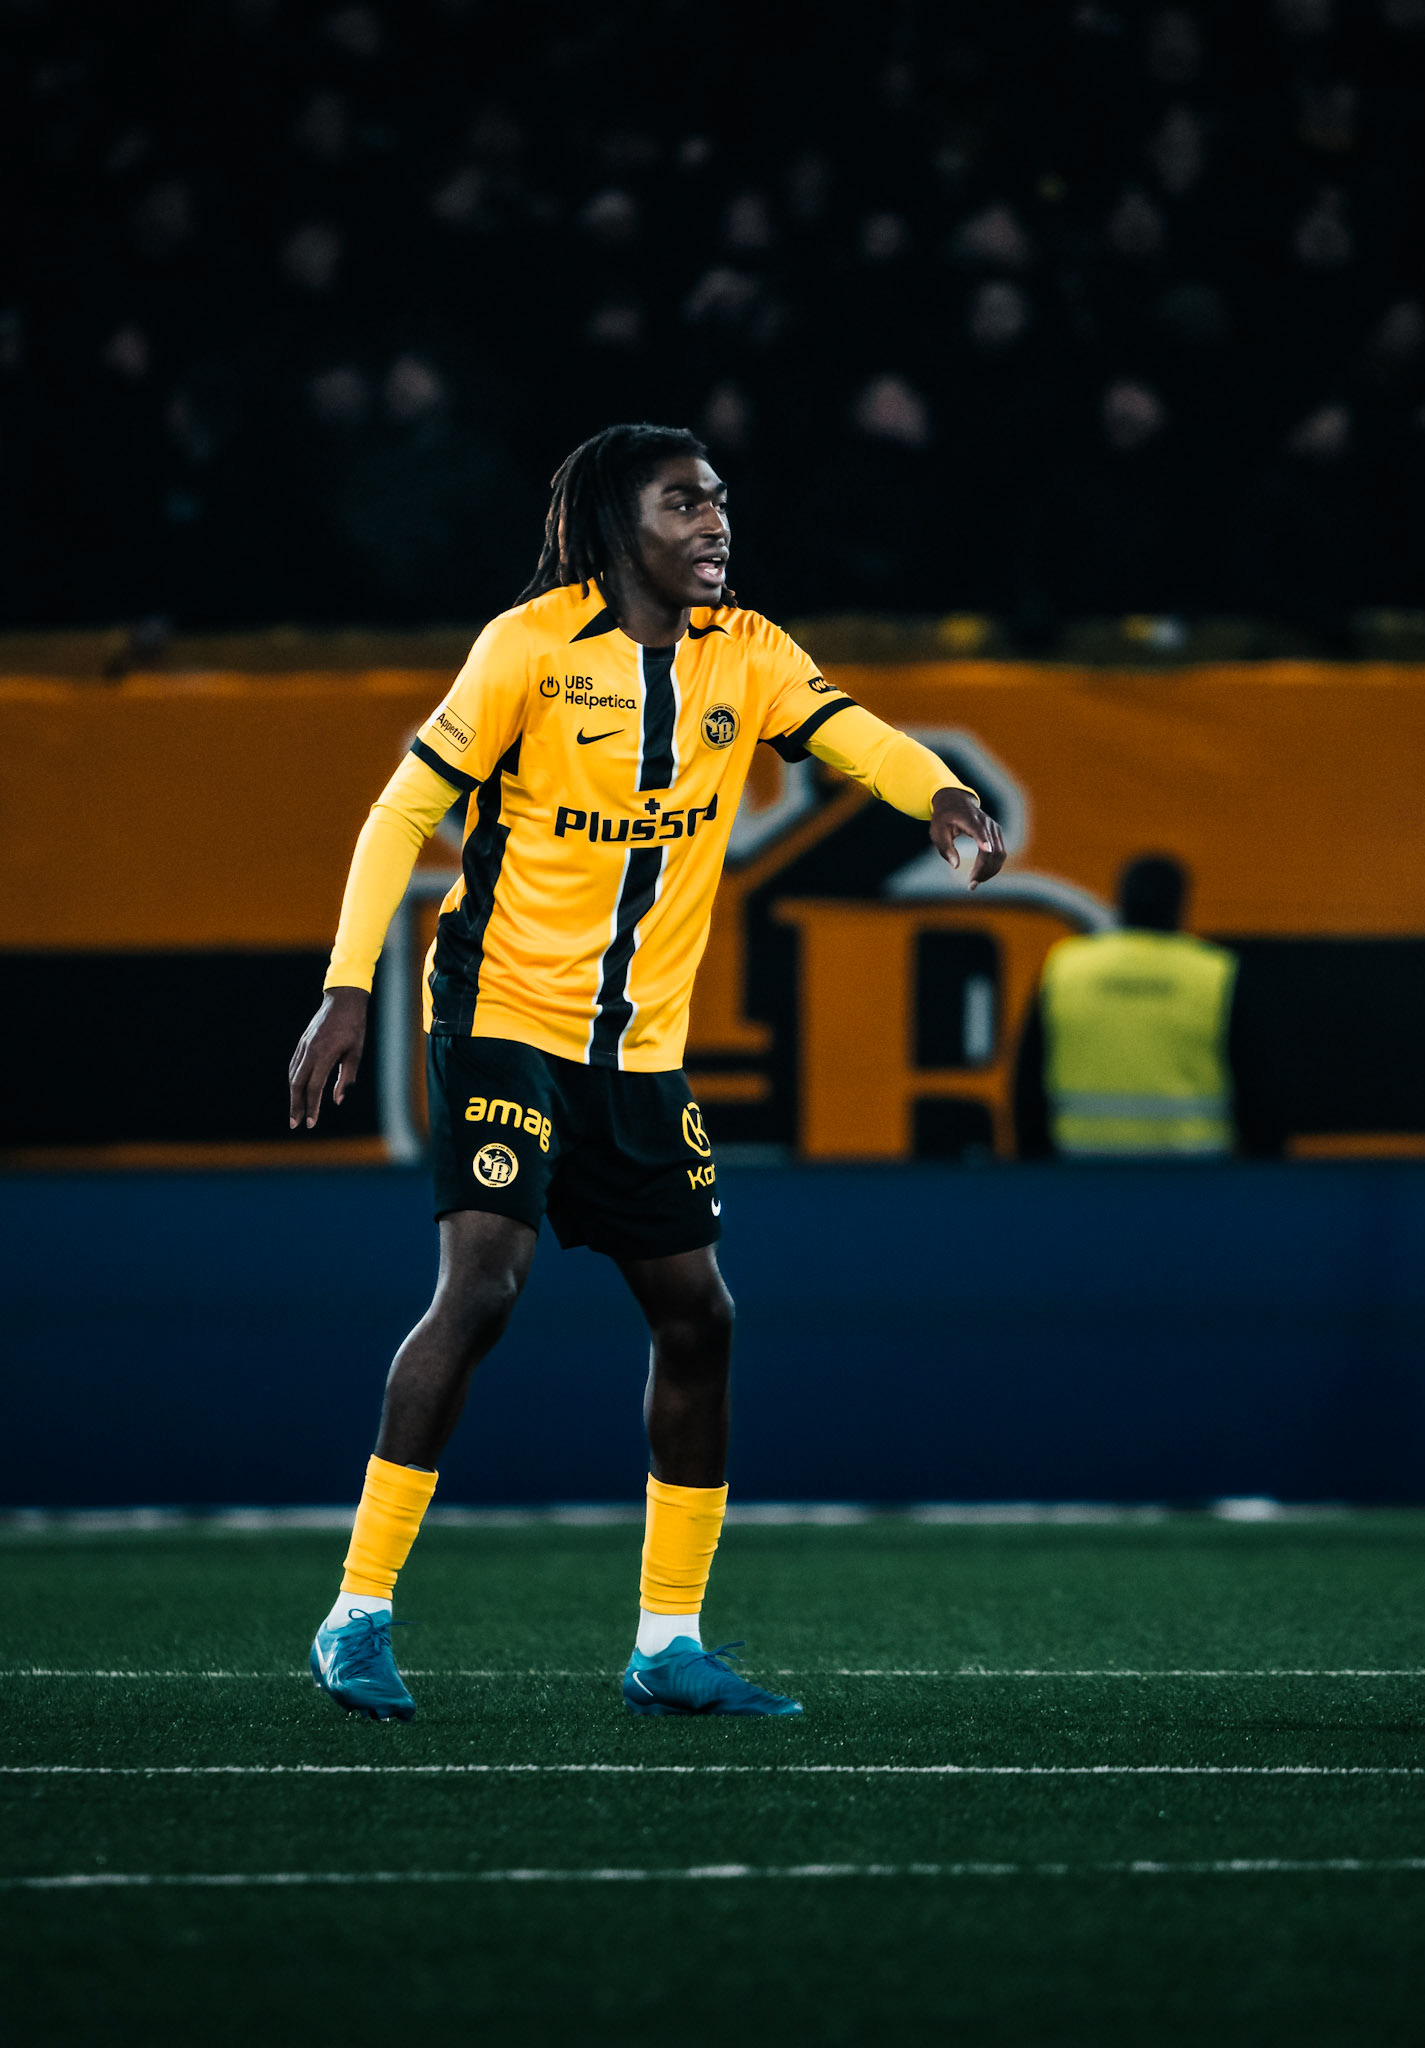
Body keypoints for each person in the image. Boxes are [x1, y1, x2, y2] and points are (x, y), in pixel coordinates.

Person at [287, 422, 1006, 1721]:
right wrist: (348, 985)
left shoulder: (750, 652)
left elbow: (857, 736)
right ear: (619, 528)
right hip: (504, 1013)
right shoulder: (527, 648)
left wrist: (940, 794)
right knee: (485, 1285)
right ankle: (358, 1611)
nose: (715, 522)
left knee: (700, 1316)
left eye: (719, 499)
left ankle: (668, 1643)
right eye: (684, 503)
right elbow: (405, 809)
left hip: (638, 1051)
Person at [1034, 854, 1243, 1157]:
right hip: (1195, 1169)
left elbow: (1028, 1078)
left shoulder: (1066, 969)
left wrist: (1035, 1164)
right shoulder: (1215, 974)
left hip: (1081, 1165)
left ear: (1121, 901)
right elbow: (1255, 1084)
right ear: (1180, 904)